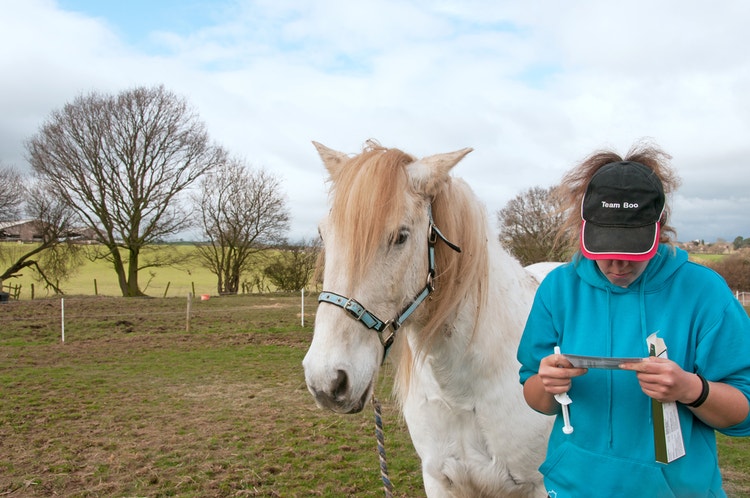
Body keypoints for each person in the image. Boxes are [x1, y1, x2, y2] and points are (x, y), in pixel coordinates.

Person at [517, 140, 750, 497]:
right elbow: (535, 394)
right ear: (584, 231)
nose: (618, 265)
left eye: (633, 250)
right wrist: (548, 383)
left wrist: (691, 389)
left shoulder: (705, 292)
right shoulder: (558, 289)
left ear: (659, 229)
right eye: (605, 249)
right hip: (574, 488)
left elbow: (742, 414)